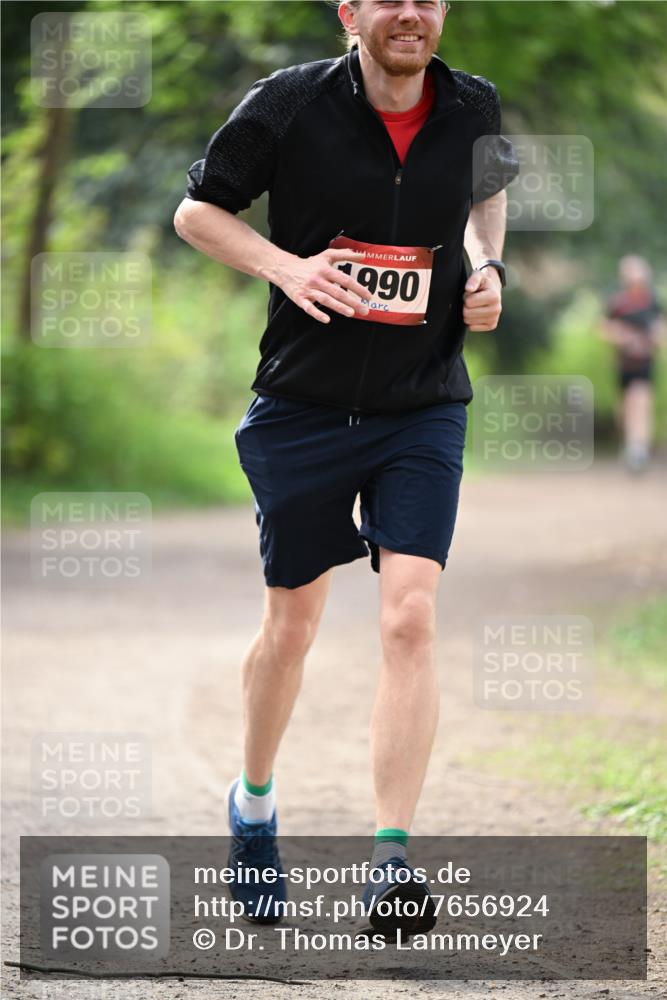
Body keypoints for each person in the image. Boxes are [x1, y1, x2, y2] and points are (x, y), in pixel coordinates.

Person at [174, 0, 518, 940]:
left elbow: (486, 197)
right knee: (293, 625)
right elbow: (196, 212)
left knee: (409, 614)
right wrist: (285, 267)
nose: (410, 12)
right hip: (304, 405)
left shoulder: (474, 106)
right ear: (350, 12)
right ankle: (252, 806)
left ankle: (391, 862)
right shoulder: (286, 104)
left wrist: (486, 269)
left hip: (422, 402)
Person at [602, 255, 665, 473]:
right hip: (622, 364)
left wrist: (654, 340)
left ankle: (638, 450)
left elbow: (660, 328)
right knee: (624, 409)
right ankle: (630, 445)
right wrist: (623, 337)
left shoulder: (652, 301)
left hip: (644, 363)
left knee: (640, 403)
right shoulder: (618, 302)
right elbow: (604, 327)